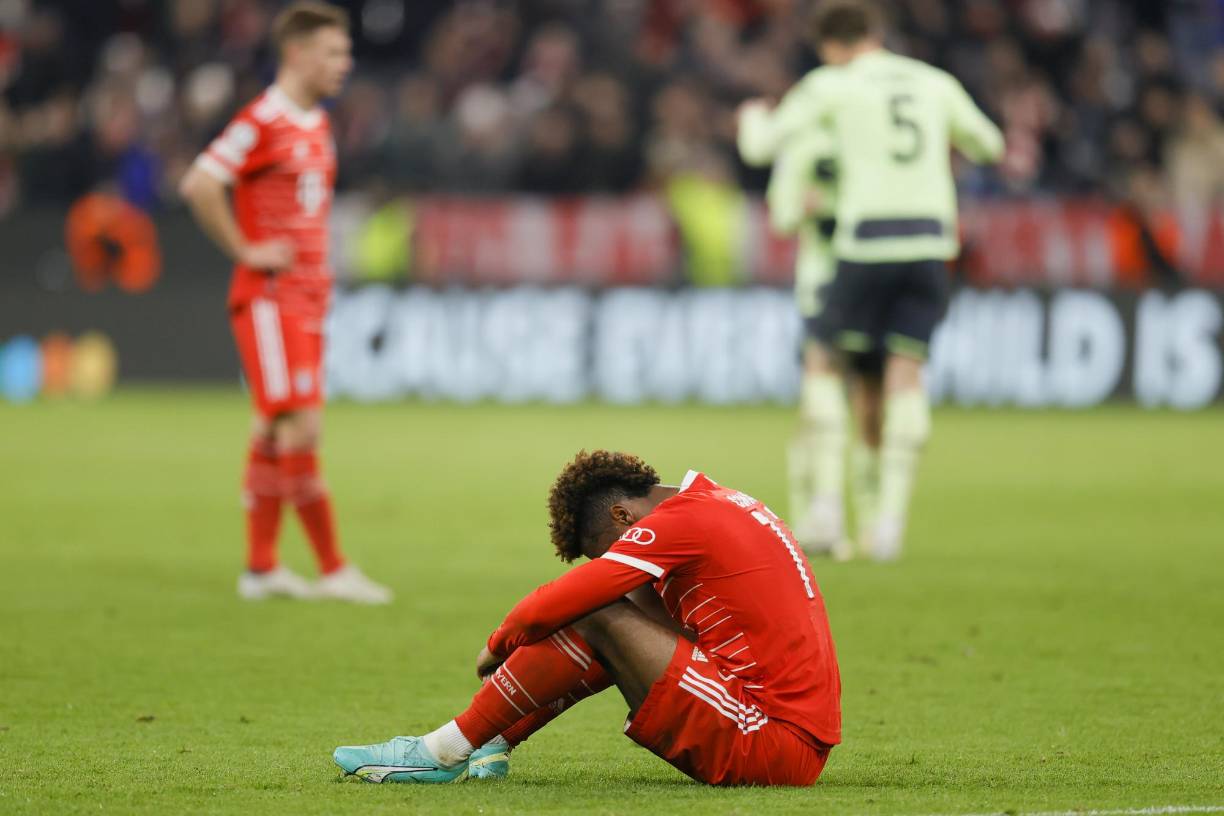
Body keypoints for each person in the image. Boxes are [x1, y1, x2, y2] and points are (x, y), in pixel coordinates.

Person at [333, 450, 841, 786]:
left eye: (606, 552)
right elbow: (627, 644)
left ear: (623, 516)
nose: (613, 564)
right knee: (617, 619)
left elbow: (571, 599)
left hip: (769, 738)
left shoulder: (683, 520)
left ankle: (441, 751)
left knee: (596, 610)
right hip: (787, 737)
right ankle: (487, 738)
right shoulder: (719, 505)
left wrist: (501, 639)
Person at [738, 0, 1004, 560]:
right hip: (932, 243)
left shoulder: (831, 85)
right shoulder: (935, 82)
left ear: (829, 47)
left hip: (866, 243)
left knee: (824, 364)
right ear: (876, 34)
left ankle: (828, 510)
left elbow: (763, 147)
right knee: (905, 375)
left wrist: (749, 117)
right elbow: (992, 145)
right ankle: (888, 528)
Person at [178, 2, 391, 604]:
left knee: (273, 425)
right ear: (296, 54)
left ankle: (262, 567)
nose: (343, 64)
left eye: (345, 53)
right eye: (331, 53)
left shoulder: (316, 122)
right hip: (271, 299)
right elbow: (199, 183)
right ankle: (332, 568)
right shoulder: (262, 118)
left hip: (306, 297)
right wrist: (246, 247)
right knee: (302, 424)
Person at [748, 124, 854, 559]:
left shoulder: (811, 140)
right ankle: (822, 515)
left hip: (856, 286)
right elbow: (785, 216)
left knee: (844, 403)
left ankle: (832, 517)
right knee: (826, 398)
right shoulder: (809, 142)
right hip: (829, 288)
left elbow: (783, 214)